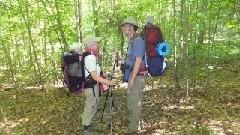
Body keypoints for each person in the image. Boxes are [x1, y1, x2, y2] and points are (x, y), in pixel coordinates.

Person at [81, 35, 116, 133]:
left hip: (92, 86)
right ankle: (86, 128)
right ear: (92, 44)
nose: (98, 44)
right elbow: (94, 76)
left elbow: (97, 72)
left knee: (93, 104)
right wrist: (109, 82)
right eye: (97, 43)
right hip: (91, 86)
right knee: (91, 105)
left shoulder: (91, 56)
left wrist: (108, 74)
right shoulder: (90, 57)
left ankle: (87, 124)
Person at [121, 17, 147, 134]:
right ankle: (139, 124)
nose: (123, 28)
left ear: (132, 27)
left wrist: (131, 79)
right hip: (135, 75)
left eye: (125, 26)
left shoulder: (138, 41)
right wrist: (122, 59)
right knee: (136, 100)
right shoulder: (132, 42)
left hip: (138, 76)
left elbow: (138, 61)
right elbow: (132, 59)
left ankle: (133, 129)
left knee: (133, 101)